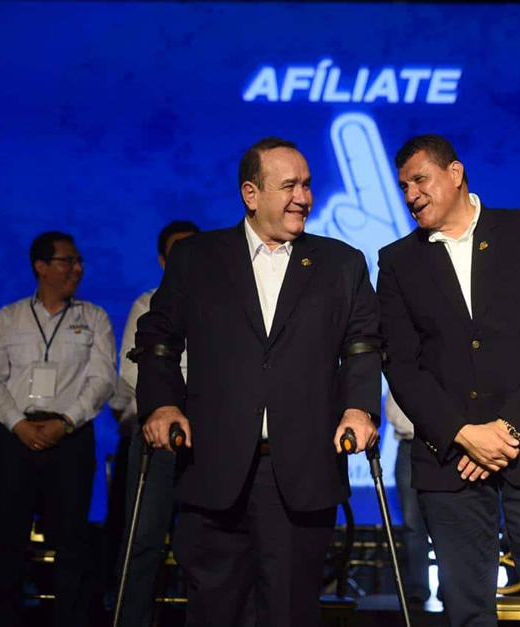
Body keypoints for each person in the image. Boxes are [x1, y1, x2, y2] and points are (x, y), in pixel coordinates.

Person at [135, 137, 381, 626]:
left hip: (301, 473)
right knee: (214, 612)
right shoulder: (196, 258)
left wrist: (359, 408)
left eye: (307, 185)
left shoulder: (341, 262)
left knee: (289, 613)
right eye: (289, 186)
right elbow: (157, 339)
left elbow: (363, 344)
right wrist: (162, 404)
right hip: (213, 468)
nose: (303, 198)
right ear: (251, 194)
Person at [377, 134, 520, 626]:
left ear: (455, 173)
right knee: (466, 609)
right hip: (450, 458)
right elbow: (401, 364)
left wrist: (509, 428)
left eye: (420, 180)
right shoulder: (398, 260)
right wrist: (462, 433)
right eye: (404, 186)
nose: (411, 195)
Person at [0, 231, 116, 626]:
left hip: (70, 437)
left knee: (73, 540)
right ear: (41, 266)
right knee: (8, 537)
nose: (77, 269)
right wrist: (19, 425)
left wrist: (67, 421)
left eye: (79, 261)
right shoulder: (9, 317)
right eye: (67, 261)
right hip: (16, 438)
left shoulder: (93, 317)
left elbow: (102, 379)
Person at [111, 219, 198, 627]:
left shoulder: (224, 304)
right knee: (143, 538)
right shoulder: (146, 304)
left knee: (204, 543)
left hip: (209, 437)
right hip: (159, 435)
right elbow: (132, 370)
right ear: (163, 260)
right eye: (178, 252)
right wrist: (176, 403)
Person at [384, 390, 431, 605]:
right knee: (413, 524)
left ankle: (451, 587)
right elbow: (393, 413)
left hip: (449, 447)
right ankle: (418, 587)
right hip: (410, 446)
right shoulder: (403, 371)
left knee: (448, 520)